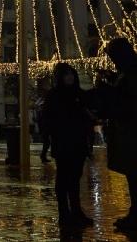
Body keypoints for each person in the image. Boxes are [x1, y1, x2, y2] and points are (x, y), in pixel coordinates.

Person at [96, 37, 137, 232]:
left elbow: (130, 100)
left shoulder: (134, 73)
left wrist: (107, 90)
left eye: (114, 56)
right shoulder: (130, 72)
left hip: (131, 130)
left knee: (133, 174)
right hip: (130, 129)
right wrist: (113, 79)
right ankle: (135, 213)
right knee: (132, 176)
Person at [44, 62, 94, 229]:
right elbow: (48, 120)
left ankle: (76, 212)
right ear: (60, 77)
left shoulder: (79, 94)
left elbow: (89, 113)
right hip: (63, 143)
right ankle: (64, 214)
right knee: (64, 180)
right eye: (66, 74)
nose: (70, 77)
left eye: (71, 74)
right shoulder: (54, 95)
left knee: (75, 179)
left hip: (78, 143)